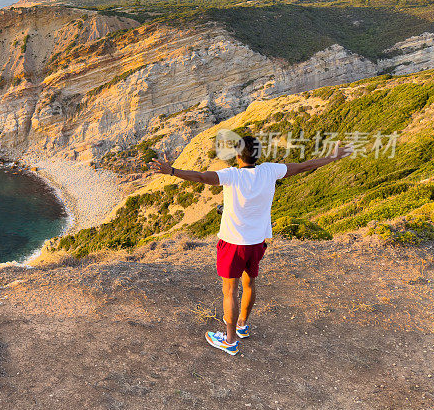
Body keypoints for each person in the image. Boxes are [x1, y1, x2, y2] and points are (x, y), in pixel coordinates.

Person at [150, 134, 351, 356]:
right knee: (249, 284)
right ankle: (242, 325)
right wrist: (334, 156)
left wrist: (171, 171)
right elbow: (306, 166)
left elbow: (199, 176)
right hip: (257, 242)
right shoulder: (270, 171)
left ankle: (229, 340)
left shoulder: (231, 175)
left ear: (237, 156)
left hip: (233, 243)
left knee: (230, 290)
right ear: (257, 155)